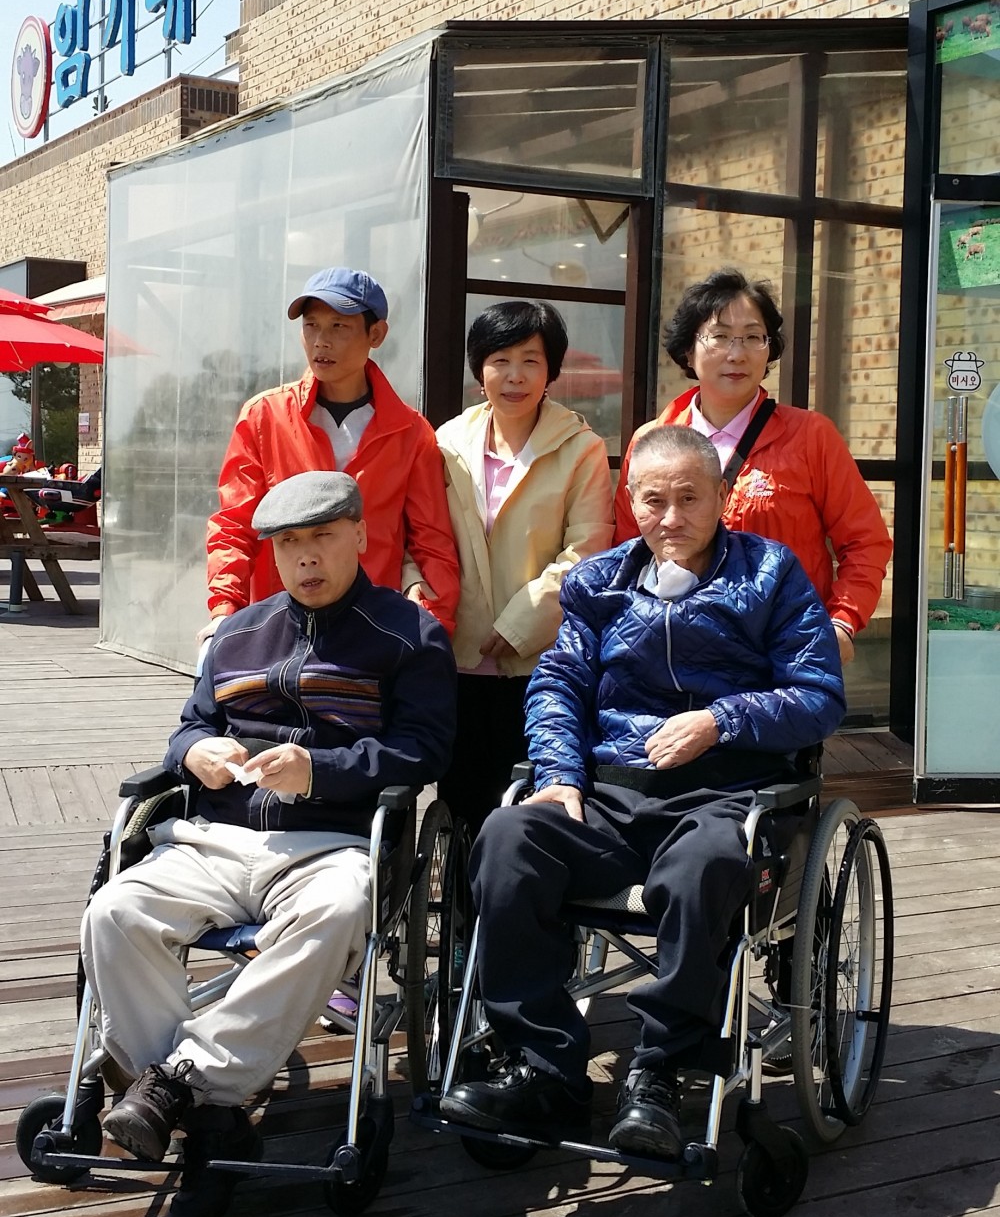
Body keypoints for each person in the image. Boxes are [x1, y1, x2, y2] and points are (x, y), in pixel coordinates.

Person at [441, 426, 844, 1159]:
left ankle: (660, 1068)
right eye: (654, 500)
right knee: (507, 838)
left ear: (723, 496)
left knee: (703, 866)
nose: (671, 517)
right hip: (612, 795)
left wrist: (721, 720)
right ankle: (544, 1066)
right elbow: (558, 685)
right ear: (630, 502)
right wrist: (560, 775)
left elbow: (818, 696)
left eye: (690, 498)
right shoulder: (598, 583)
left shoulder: (771, 574)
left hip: (723, 796)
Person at [82, 470, 456, 1217]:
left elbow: (424, 750)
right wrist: (197, 753)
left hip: (332, 841)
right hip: (213, 838)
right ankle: (211, 1116)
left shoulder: (408, 636)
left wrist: (320, 768)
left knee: (340, 909)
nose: (306, 557)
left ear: (360, 534)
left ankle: (183, 1092)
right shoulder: (237, 633)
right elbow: (187, 730)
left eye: (322, 537)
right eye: (289, 544)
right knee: (115, 911)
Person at [614, 269, 892, 664]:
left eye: (752, 337)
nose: (737, 354)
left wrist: (841, 621)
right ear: (689, 351)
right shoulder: (652, 441)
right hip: (673, 651)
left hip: (782, 651)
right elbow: (626, 548)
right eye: (720, 336)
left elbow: (865, 542)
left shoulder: (811, 436)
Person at [432, 300, 613, 839]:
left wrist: (518, 625)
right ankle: (461, 898)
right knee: (460, 806)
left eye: (531, 361)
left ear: (551, 370)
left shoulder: (581, 450)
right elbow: (426, 538)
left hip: (540, 661)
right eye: (500, 360)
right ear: (479, 368)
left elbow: (587, 552)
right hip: (458, 658)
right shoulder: (446, 443)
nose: (515, 376)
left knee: (527, 807)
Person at [204, 266, 460, 642]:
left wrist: (433, 629)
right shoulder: (264, 417)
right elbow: (234, 524)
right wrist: (225, 611)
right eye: (311, 326)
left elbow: (431, 541)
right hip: (281, 627)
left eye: (339, 326)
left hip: (372, 629)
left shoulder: (411, 432)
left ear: (376, 334)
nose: (321, 341)